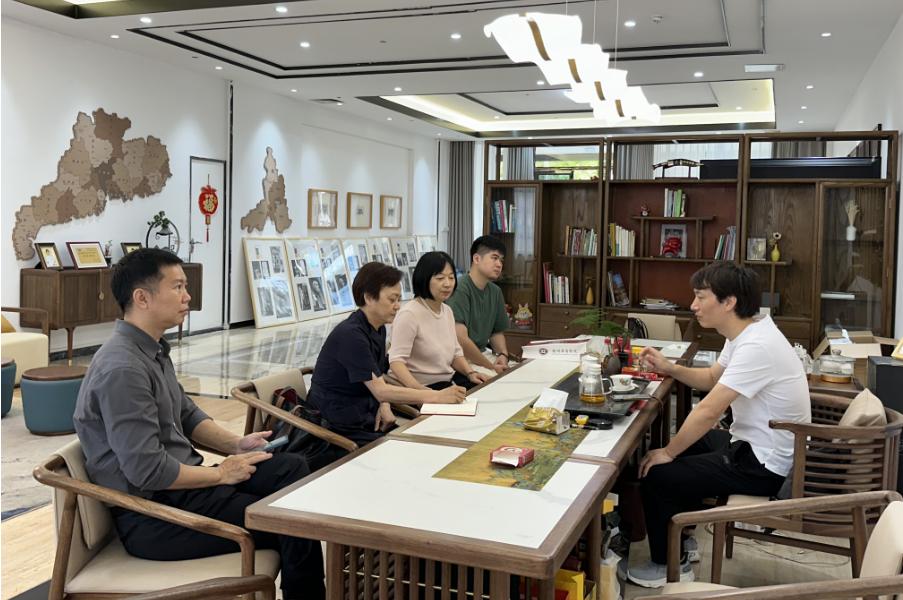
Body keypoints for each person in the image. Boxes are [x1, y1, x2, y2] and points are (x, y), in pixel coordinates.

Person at [73, 248, 324, 600]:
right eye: (177, 287)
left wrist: (235, 446)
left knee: (291, 468)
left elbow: (186, 414)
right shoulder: (123, 368)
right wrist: (221, 474)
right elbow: (147, 470)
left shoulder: (151, 350)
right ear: (142, 298)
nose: (187, 296)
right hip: (156, 515)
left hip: (185, 492)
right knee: (291, 521)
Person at [625, 262, 811, 588]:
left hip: (765, 465)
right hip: (754, 444)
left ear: (729, 302)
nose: (693, 305)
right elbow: (712, 377)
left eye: (701, 297)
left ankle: (669, 565)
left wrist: (668, 452)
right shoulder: (746, 331)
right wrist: (670, 367)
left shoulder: (756, 345)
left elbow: (710, 410)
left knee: (658, 473)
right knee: (689, 445)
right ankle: (682, 539)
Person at [307, 261, 466, 446]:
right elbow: (381, 391)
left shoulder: (378, 328)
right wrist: (435, 396)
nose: (398, 306)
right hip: (334, 424)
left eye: (399, 299)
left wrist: (384, 404)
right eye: (392, 300)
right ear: (369, 298)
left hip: (362, 413)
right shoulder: (351, 335)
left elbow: (377, 377)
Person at [388, 252, 490, 391]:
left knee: (487, 388)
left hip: (447, 379)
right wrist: (422, 392)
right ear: (424, 279)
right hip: (421, 387)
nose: (448, 284)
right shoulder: (409, 314)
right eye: (440, 278)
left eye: (451, 277)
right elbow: (396, 362)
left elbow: (455, 354)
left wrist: (470, 373)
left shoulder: (447, 311)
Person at [446, 235, 511, 375]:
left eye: (501, 260)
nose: (499, 264)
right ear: (476, 259)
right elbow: (460, 339)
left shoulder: (495, 291)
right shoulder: (460, 288)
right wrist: (490, 366)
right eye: (494, 258)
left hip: (483, 355)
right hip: (461, 359)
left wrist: (503, 354)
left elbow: (496, 332)